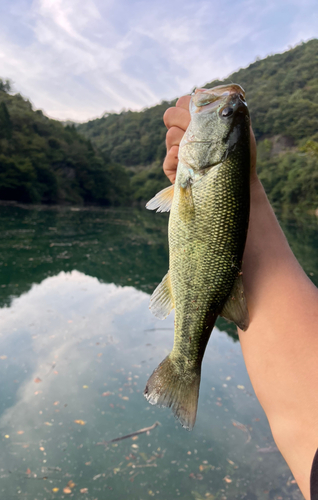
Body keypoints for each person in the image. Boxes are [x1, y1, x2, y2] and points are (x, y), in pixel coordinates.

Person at [162, 95, 318, 500]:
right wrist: (244, 183)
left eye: (226, 114)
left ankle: (183, 365)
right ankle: (183, 366)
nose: (225, 105)